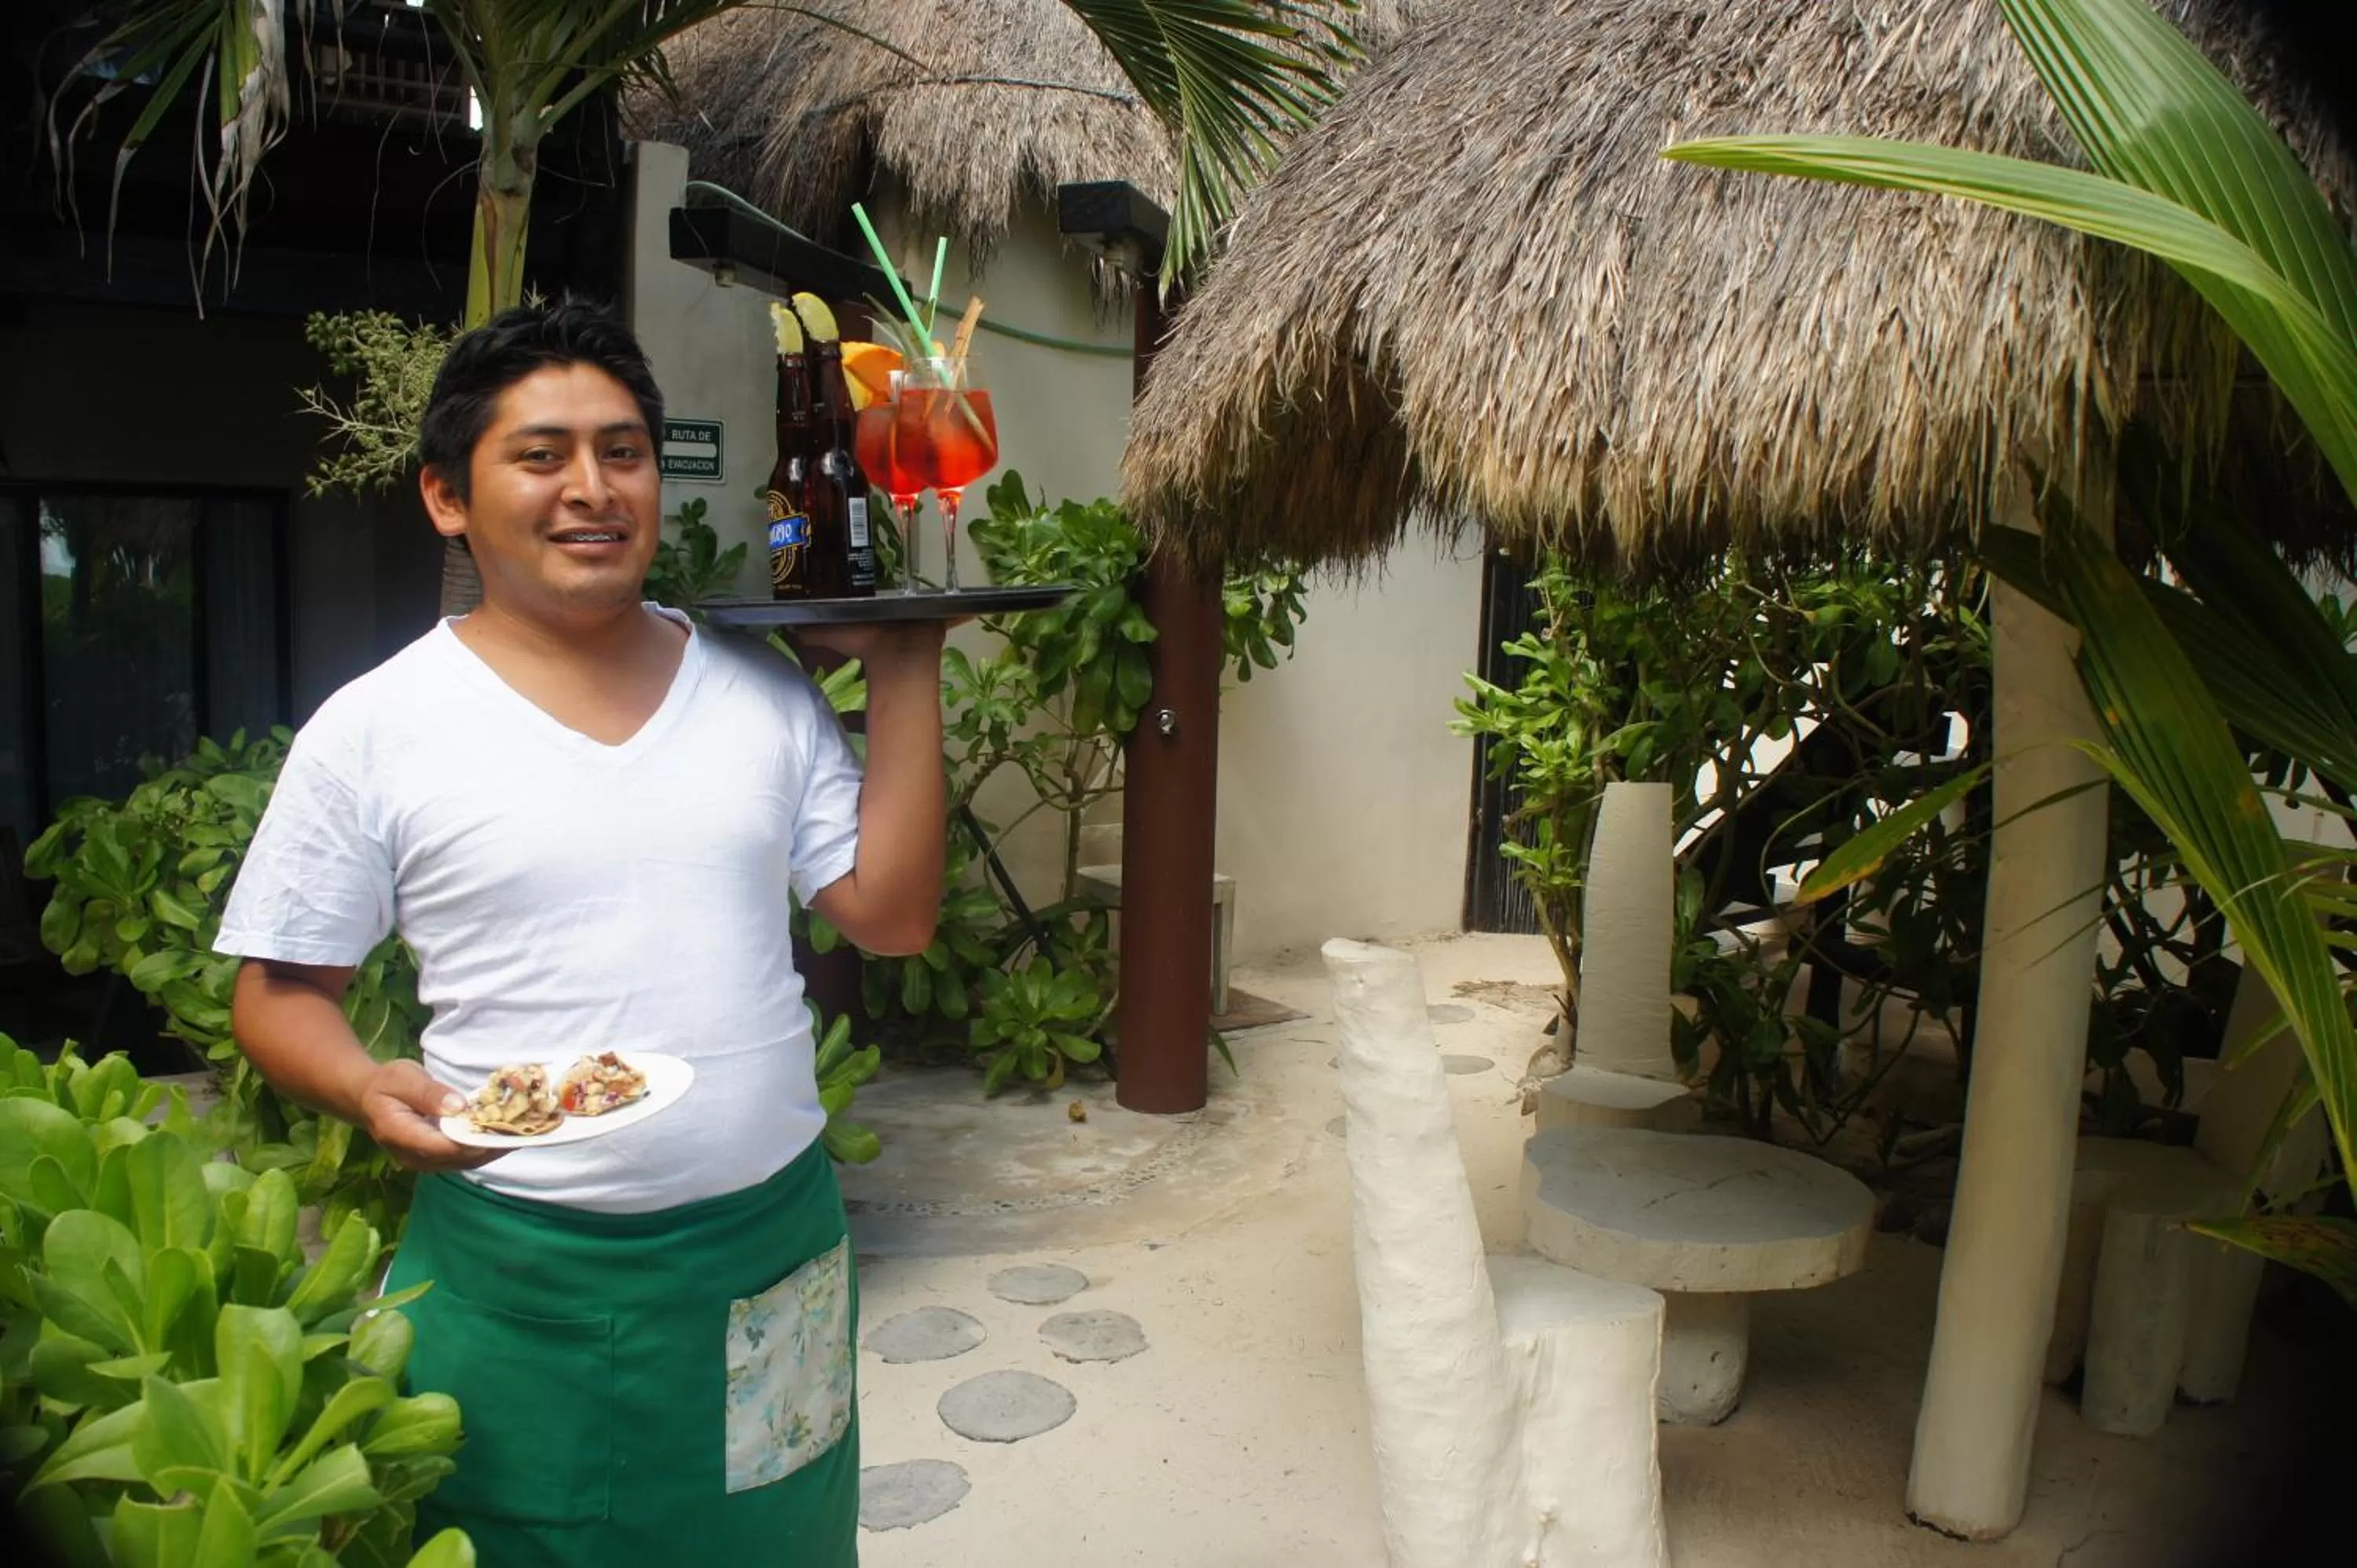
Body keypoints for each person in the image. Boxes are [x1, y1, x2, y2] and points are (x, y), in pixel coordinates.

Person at [217, 298, 948, 1566]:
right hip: (518, 1273)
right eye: (541, 455)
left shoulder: (756, 692)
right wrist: (361, 1085)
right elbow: (278, 993)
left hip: (765, 1251)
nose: (591, 488)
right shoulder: (377, 728)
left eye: (623, 452)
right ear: (449, 496)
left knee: (780, 1546)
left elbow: (889, 918)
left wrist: (905, 664)